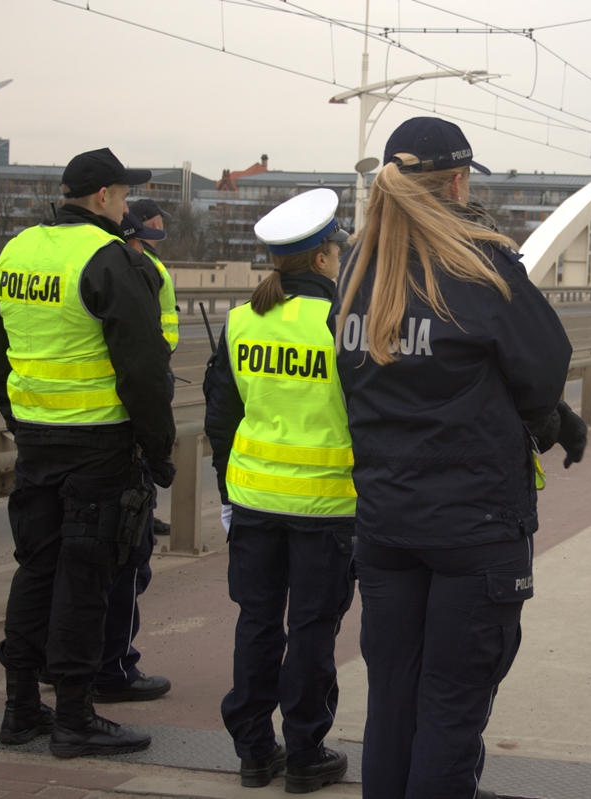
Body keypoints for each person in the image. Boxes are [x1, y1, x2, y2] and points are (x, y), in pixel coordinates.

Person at [335, 117, 588, 799]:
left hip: (386, 523)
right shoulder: (478, 262)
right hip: (473, 525)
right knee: (451, 705)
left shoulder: (357, 266)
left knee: (393, 701)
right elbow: (542, 368)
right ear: (456, 179)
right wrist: (548, 419)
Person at [0, 148, 177, 757]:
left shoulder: (14, 252)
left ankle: (21, 709)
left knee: (35, 570)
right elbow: (143, 370)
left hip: (37, 440)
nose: (124, 208)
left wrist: (21, 420)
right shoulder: (109, 258)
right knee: (85, 582)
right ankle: (73, 717)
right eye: (122, 198)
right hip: (100, 445)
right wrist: (158, 450)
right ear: (102, 199)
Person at [204, 189, 356, 793]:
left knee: (258, 623)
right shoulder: (343, 324)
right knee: (313, 631)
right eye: (337, 251)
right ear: (322, 258)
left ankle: (252, 751)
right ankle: (304, 752)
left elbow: (222, 416)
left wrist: (226, 491)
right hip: (326, 507)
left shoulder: (243, 320)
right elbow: (369, 417)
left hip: (253, 503)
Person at [79, 210, 175, 705]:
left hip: (62, 436)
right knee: (124, 561)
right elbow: (142, 372)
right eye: (144, 243)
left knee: (69, 563)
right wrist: (159, 455)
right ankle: (111, 669)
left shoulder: (124, 269)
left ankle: (60, 668)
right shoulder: (126, 273)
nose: (150, 252)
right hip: (118, 438)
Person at [129, 198, 178, 537]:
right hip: (151, 364)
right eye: (158, 222)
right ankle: (143, 516)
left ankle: (148, 513)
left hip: (158, 359)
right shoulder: (137, 261)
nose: (162, 228)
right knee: (144, 447)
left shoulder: (150, 260)